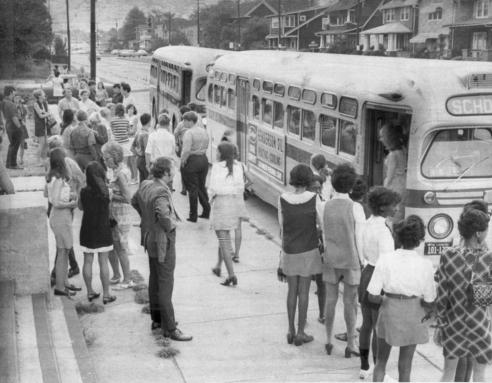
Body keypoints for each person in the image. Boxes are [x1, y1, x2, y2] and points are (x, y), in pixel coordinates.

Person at [367, 215, 436, 382]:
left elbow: (373, 295)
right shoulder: (426, 264)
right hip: (413, 312)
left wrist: (385, 301)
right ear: (420, 240)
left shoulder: (385, 260)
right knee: (405, 365)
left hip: (390, 309)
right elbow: (429, 300)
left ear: (396, 237)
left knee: (381, 362)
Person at [131, 157, 193, 341]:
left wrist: (146, 220)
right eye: (172, 170)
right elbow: (164, 216)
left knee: (155, 279)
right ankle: (170, 328)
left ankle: (157, 319)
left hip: (149, 238)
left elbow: (134, 201)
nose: (174, 172)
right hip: (162, 240)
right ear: (166, 173)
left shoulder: (145, 184)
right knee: (166, 283)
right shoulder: (161, 192)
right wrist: (170, 226)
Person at [435, 207, 492, 382]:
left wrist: (440, 323)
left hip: (453, 323)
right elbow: (483, 300)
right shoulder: (488, 258)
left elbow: (442, 294)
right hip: (479, 323)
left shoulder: (448, 255)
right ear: (478, 233)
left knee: (448, 373)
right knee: (480, 374)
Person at [322, 163, 365, 357]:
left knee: (330, 300)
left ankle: (329, 340)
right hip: (351, 260)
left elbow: (324, 234)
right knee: (350, 302)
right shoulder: (355, 207)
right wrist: (362, 260)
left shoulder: (325, 206)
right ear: (351, 186)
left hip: (331, 258)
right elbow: (359, 238)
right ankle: (350, 343)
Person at [358, 186, 400, 379]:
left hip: (366, 272)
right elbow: (388, 260)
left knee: (366, 323)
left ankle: (364, 366)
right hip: (379, 277)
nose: (397, 209)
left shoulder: (367, 223)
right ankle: (377, 369)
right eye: (394, 205)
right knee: (378, 326)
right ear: (383, 207)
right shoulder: (383, 231)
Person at [278, 164, 322, 346]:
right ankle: (301, 332)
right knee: (304, 292)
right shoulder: (314, 198)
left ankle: (290, 330)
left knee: (291, 291)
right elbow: (321, 223)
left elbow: (281, 226)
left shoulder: (282, 198)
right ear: (308, 180)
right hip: (308, 249)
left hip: (289, 249)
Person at [47, 136, 83, 286]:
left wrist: (71, 194)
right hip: (61, 212)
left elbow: (48, 193)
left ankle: (64, 277)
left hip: (60, 211)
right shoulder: (60, 173)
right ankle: (60, 279)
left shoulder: (51, 168)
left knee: (64, 246)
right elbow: (55, 200)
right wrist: (72, 202)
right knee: (63, 247)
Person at [209, 141, 246, 286]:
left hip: (221, 204)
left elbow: (213, 188)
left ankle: (231, 275)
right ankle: (218, 266)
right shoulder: (238, 166)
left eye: (217, 151)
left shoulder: (217, 167)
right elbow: (241, 188)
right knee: (224, 236)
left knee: (223, 240)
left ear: (221, 153)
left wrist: (211, 199)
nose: (216, 153)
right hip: (234, 204)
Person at [79, 161, 116, 304]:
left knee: (87, 261)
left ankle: (89, 292)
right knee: (103, 262)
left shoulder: (83, 191)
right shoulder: (107, 191)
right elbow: (109, 209)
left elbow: (80, 207)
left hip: (87, 228)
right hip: (103, 228)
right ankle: (106, 294)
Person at [102, 142, 135, 289]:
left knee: (120, 247)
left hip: (121, 215)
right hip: (114, 214)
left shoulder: (120, 174)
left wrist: (110, 195)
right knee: (113, 245)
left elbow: (128, 198)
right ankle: (116, 275)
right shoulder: (117, 170)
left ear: (115, 157)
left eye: (107, 158)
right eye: (104, 158)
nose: (105, 161)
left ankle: (127, 279)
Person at [180, 111, 210, 222]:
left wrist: (183, 161)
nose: (183, 123)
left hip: (192, 160)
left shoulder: (189, 133)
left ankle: (193, 215)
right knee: (201, 186)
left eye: (185, 121)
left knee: (192, 189)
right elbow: (207, 144)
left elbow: (186, 150)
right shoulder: (204, 131)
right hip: (203, 159)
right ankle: (207, 210)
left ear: (190, 121)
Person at [307, 174, 326, 324]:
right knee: (304, 282)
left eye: (319, 188)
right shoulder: (304, 202)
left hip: (319, 245)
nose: (317, 191)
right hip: (306, 246)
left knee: (321, 282)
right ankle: (303, 314)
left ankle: (322, 313)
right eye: (315, 188)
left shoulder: (322, 201)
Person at [380, 123, 407, 221]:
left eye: (382, 136)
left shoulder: (392, 155)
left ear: (389, 138)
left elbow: (389, 176)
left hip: (395, 186)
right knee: (400, 211)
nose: (381, 139)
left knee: (392, 214)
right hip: (403, 184)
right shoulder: (403, 150)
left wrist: (383, 189)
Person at [2, 86, 23, 169]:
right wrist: (19, 127)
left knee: (12, 145)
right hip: (14, 127)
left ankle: (8, 164)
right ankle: (13, 164)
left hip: (8, 126)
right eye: (14, 92)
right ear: (11, 92)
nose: (15, 94)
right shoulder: (10, 104)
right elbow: (14, 117)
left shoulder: (4, 102)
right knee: (15, 146)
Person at [33, 89, 55, 163]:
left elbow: (45, 112)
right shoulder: (36, 104)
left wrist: (47, 114)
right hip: (40, 125)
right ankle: (37, 161)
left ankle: (44, 159)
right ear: (39, 95)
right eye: (43, 93)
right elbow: (40, 116)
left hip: (46, 125)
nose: (44, 94)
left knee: (46, 144)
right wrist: (49, 114)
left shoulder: (45, 103)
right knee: (41, 144)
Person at [131, 112, 151, 183]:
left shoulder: (138, 132)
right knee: (147, 182)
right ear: (148, 122)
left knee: (142, 181)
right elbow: (147, 151)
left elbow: (132, 148)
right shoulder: (146, 135)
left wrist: (138, 154)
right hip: (144, 161)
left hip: (139, 160)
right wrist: (148, 164)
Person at [126, 104, 139, 182]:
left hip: (132, 140)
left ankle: (135, 177)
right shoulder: (125, 117)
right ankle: (132, 176)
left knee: (132, 160)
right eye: (129, 109)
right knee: (128, 161)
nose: (131, 110)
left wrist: (126, 131)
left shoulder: (135, 118)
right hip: (127, 140)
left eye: (132, 109)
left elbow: (133, 131)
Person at [14, 95, 28, 166]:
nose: (18, 100)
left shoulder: (22, 107)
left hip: (22, 126)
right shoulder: (13, 107)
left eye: (19, 99)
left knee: (22, 145)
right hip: (15, 127)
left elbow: (25, 115)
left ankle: (21, 159)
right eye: (16, 99)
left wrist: (23, 107)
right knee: (15, 144)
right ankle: (14, 159)